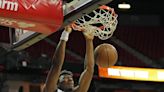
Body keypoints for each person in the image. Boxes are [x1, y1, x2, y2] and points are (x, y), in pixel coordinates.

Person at [43, 25, 95, 92]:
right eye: (65, 78)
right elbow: (56, 65)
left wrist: (89, 40)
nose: (70, 80)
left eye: (70, 78)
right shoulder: (50, 89)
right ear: (58, 82)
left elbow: (89, 69)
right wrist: (65, 35)